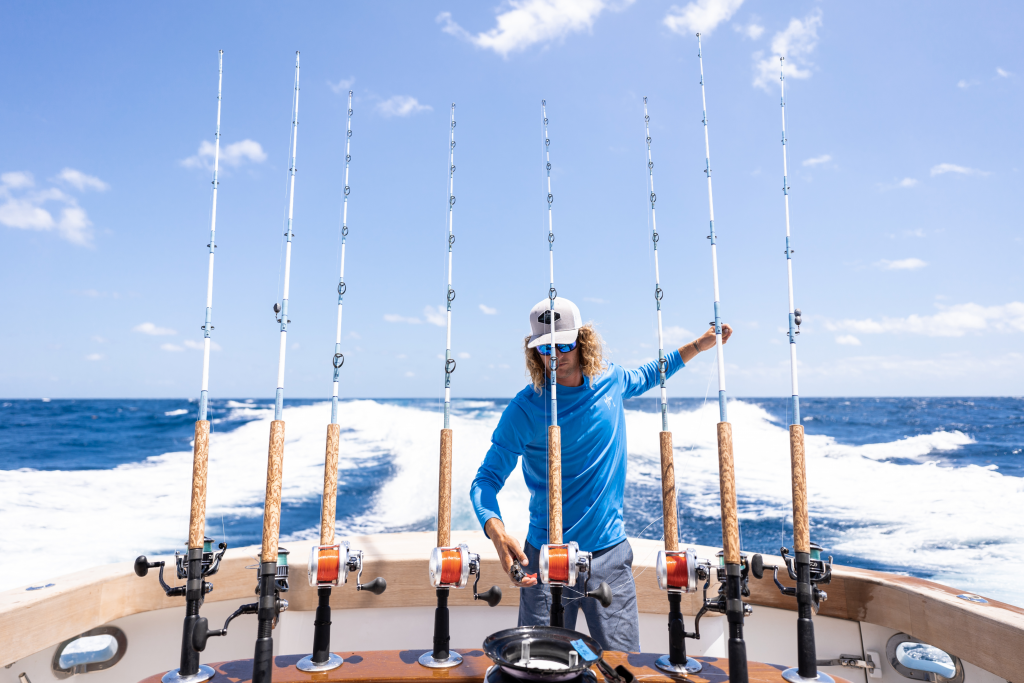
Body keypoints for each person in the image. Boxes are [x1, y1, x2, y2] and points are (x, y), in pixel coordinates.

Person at [470, 297, 732, 652]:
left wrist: (698, 346)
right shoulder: (523, 410)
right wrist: (496, 532)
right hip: (545, 561)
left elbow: (651, 373)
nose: (556, 355)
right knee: (540, 669)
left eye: (565, 344)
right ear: (534, 352)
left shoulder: (611, 380)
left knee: (621, 668)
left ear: (582, 341)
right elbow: (485, 480)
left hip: (610, 558)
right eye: (545, 348)